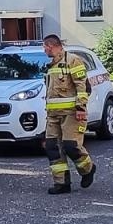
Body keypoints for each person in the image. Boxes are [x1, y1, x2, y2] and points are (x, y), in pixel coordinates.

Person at [42, 33, 96, 194]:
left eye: (45, 47)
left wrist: (80, 108)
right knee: (52, 147)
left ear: (51, 45)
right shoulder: (52, 65)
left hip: (72, 114)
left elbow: (83, 87)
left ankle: (88, 169)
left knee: (71, 146)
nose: (44, 50)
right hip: (53, 115)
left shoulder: (72, 60)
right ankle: (62, 183)